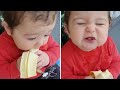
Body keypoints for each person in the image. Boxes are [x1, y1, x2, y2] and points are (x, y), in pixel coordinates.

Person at [0, 11, 60, 79]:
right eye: (32, 38)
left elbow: (56, 49)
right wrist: (16, 67)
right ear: (9, 29)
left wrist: (47, 57)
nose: (41, 43)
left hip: (46, 71)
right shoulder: (2, 47)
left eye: (46, 35)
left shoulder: (41, 34)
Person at [61, 11, 120, 79]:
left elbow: (117, 62)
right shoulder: (64, 56)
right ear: (67, 29)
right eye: (80, 23)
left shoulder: (109, 43)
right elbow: (64, 76)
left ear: (108, 26)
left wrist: (111, 74)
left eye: (99, 23)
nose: (91, 29)